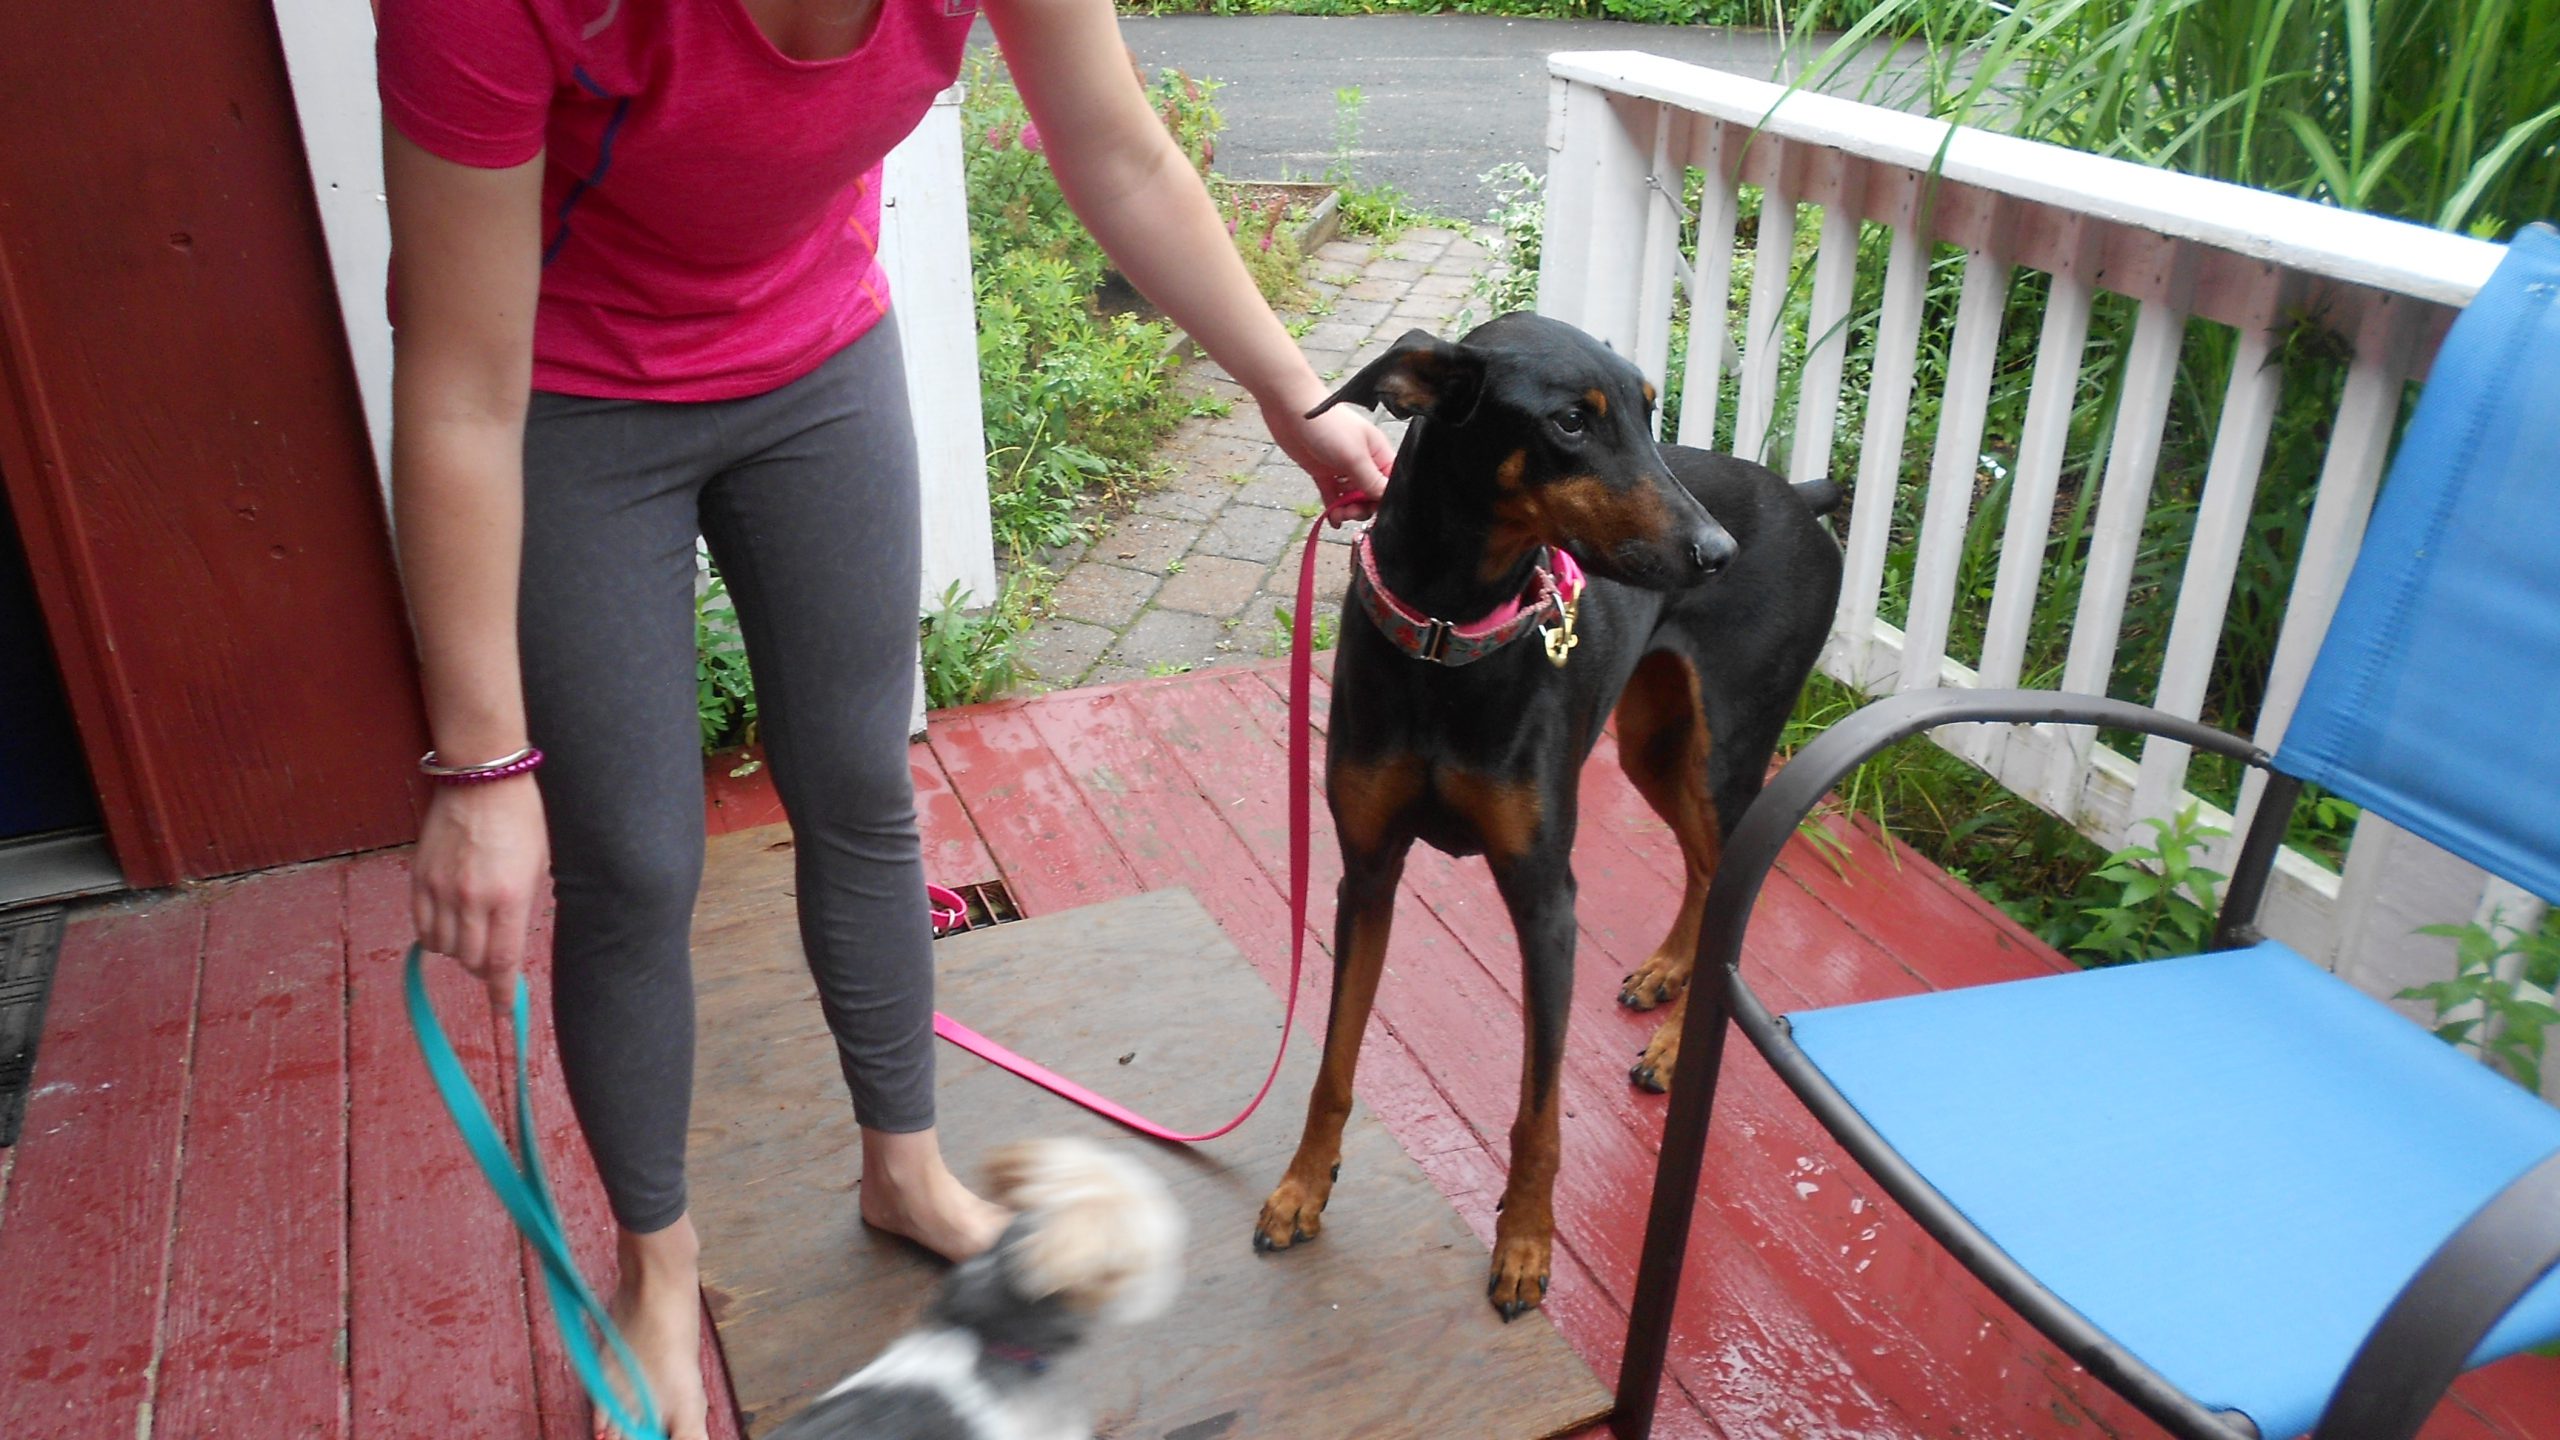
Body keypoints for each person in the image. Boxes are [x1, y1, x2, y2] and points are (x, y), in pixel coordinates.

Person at [376, 0, 1394, 1434]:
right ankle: (657, 1270)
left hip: (814, 358)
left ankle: (903, 1169)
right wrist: (483, 766)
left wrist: (1293, 394)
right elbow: (461, 392)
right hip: (565, 392)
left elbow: (1119, 155)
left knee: (859, 787)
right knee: (635, 864)